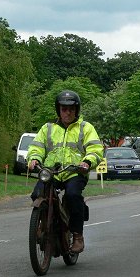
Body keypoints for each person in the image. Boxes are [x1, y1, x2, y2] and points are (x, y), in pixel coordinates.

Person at [27, 90, 104, 253]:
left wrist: (87, 161)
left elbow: (95, 148)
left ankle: (77, 236)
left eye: (71, 109)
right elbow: (36, 147)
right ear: (58, 110)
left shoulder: (86, 128)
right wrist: (34, 159)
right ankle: (42, 223)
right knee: (37, 193)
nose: (67, 112)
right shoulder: (47, 128)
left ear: (77, 110)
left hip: (74, 172)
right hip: (51, 171)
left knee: (73, 195)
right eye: (64, 109)